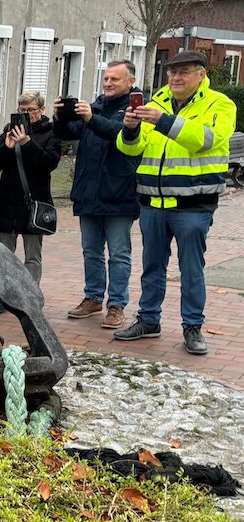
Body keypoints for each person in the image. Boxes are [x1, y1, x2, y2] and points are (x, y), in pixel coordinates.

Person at [115, 50, 236, 355]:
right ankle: (149, 319)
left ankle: (192, 326)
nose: (176, 78)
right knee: (152, 266)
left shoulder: (220, 105)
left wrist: (164, 121)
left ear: (201, 75)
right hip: (152, 202)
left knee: (191, 268)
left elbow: (207, 140)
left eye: (184, 72)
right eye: (172, 72)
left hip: (193, 204)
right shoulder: (154, 104)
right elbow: (131, 149)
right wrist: (129, 130)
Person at [53, 60, 143, 329]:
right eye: (106, 79)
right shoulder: (97, 105)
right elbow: (69, 134)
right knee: (90, 251)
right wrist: (60, 117)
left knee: (118, 253)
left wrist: (92, 118)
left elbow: (121, 134)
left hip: (120, 193)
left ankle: (116, 305)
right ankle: (93, 298)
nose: (108, 84)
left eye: (115, 79)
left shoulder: (135, 109)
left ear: (130, 81)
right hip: (89, 191)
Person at [0, 91, 62, 313]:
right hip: (7, 201)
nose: (26, 114)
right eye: (22, 110)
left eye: (30, 110)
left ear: (41, 110)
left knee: (32, 256)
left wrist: (28, 143)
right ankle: (4, 295)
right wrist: (8, 147)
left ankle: (30, 295)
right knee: (3, 255)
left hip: (34, 204)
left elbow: (48, 163)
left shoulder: (51, 133)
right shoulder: (8, 131)